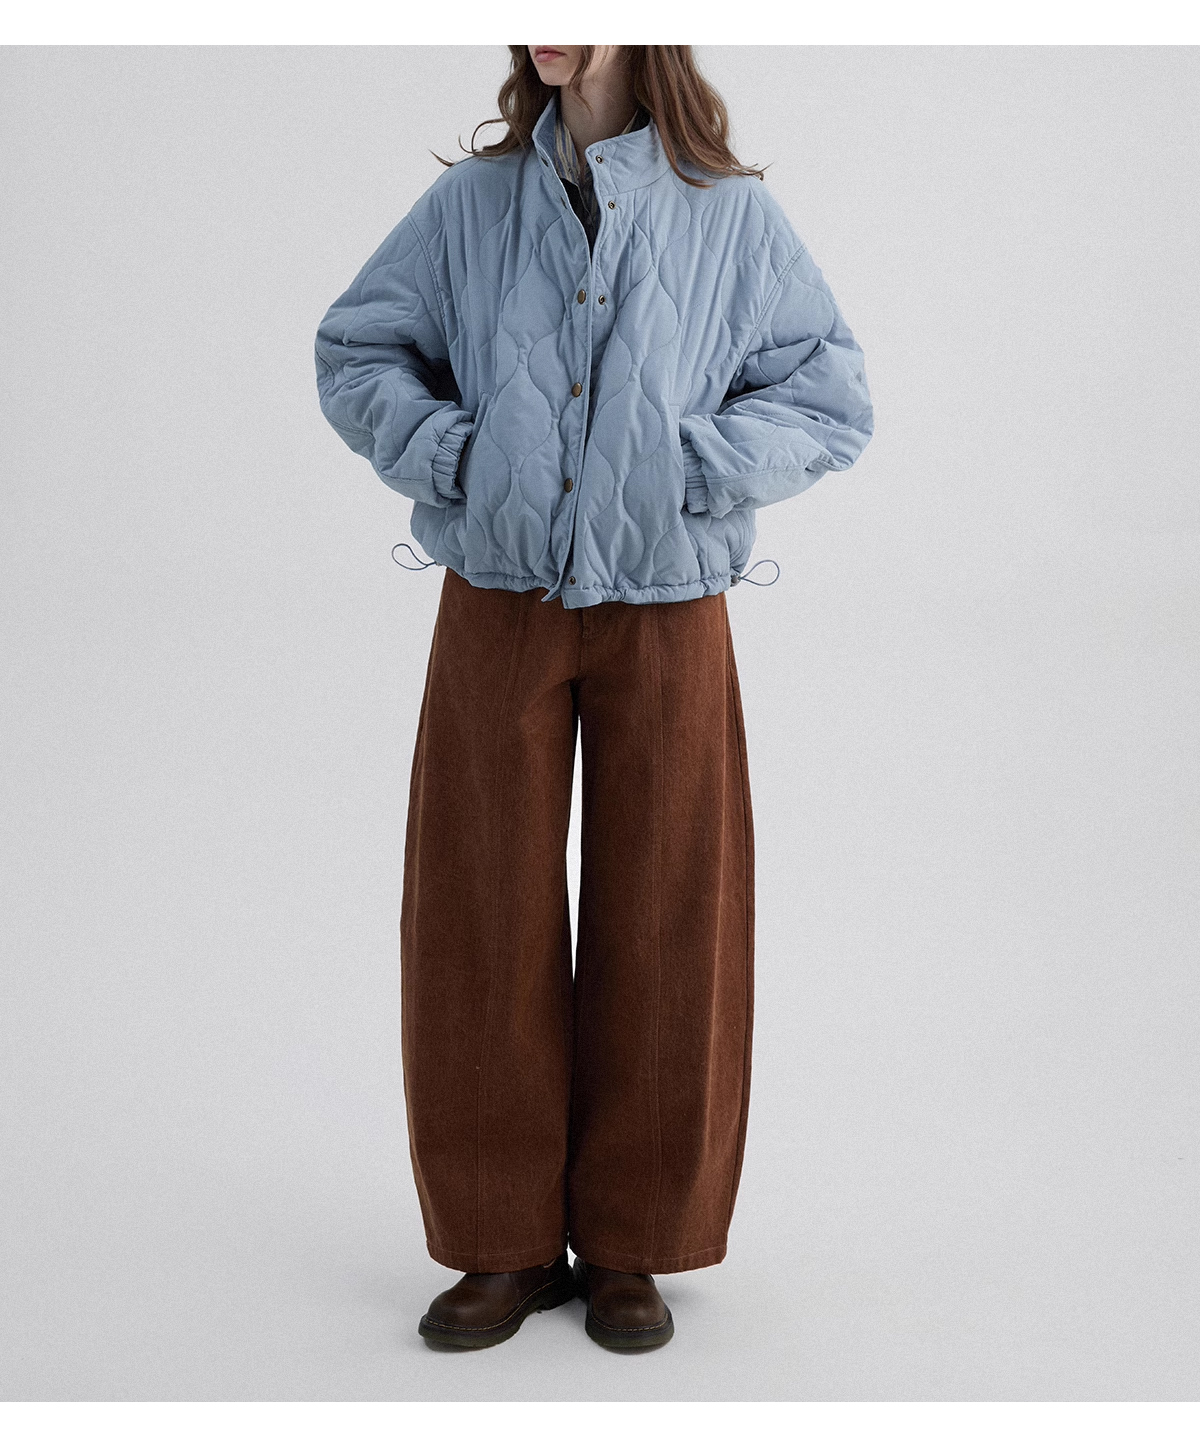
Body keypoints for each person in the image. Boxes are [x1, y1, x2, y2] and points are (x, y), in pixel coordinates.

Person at [314, 44, 873, 1353]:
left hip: (669, 602)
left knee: (672, 909)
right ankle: (501, 1239)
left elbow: (830, 393)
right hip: (498, 597)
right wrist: (454, 455)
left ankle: (633, 1241)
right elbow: (357, 349)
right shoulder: (469, 206)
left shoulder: (732, 214)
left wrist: (698, 468)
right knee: (478, 907)